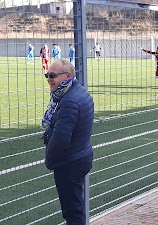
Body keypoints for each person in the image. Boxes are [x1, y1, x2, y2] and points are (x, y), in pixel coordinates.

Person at [41, 59, 94, 224]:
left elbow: (61, 138)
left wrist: (49, 160)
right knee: (76, 207)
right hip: (80, 156)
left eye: (53, 75)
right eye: (47, 75)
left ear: (68, 76)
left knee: (72, 212)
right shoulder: (79, 92)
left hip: (70, 162)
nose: (49, 78)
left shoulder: (68, 100)